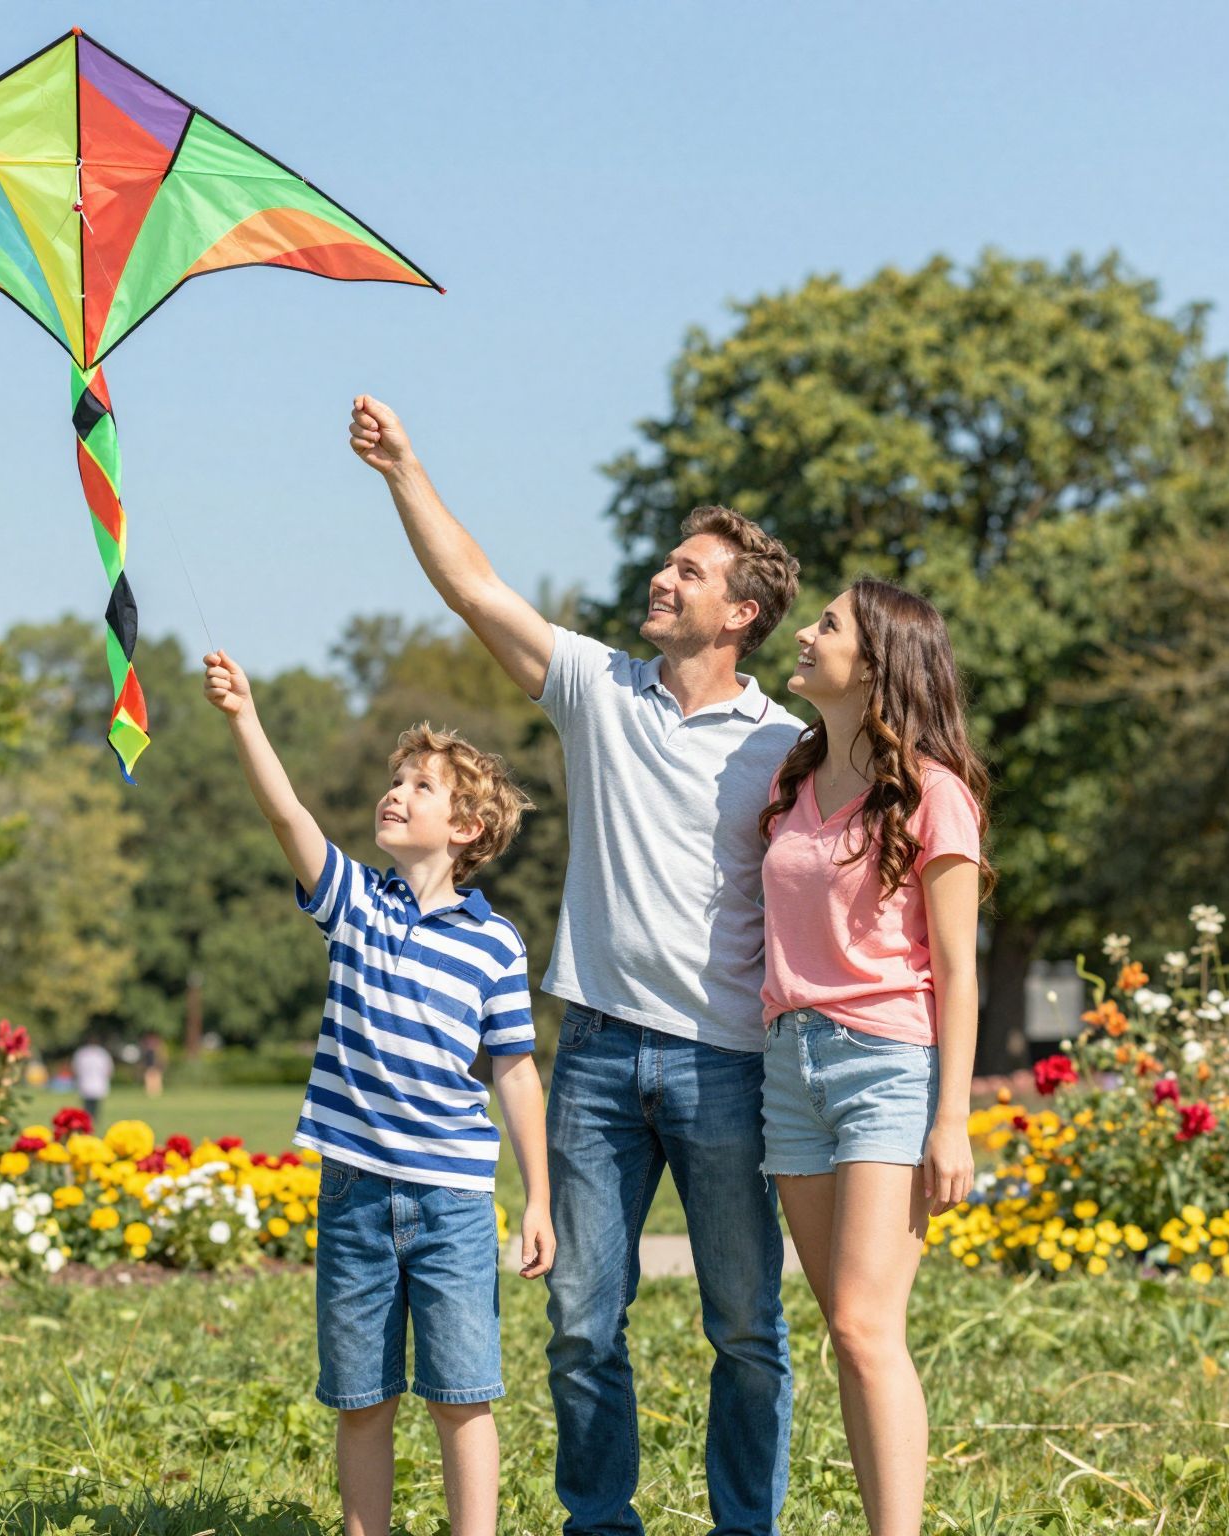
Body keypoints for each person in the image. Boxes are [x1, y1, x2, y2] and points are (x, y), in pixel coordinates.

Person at [350, 396, 801, 1536]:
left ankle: (743, 1526)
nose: (663, 579)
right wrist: (404, 465)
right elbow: (475, 590)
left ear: (739, 612)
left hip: (728, 1066)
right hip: (596, 1053)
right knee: (579, 1324)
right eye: (664, 563)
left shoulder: (786, 746)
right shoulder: (599, 690)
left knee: (744, 1328)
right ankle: (599, 1525)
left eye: (688, 573)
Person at [201, 648, 555, 1536]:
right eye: (393, 781)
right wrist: (246, 716)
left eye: (420, 786)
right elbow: (288, 814)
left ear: (467, 826)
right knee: (361, 1399)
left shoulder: (496, 945)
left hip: (455, 1203)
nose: (394, 793)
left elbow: (514, 1070)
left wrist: (539, 1196)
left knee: (462, 1395)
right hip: (354, 1193)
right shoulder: (357, 903)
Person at [758, 577, 987, 1536]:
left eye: (828, 625)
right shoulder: (793, 783)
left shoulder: (935, 795)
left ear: (880, 662)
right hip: (787, 1068)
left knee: (864, 1325)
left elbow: (959, 974)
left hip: (885, 1065)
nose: (805, 634)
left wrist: (952, 1122)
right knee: (847, 1334)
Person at [70, 1037, 114, 1127]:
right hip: (98, 1084)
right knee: (95, 1106)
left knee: (87, 1106)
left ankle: (88, 1121)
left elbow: (75, 1068)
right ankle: (92, 1121)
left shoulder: (82, 1053)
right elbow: (109, 1070)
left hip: (85, 1084)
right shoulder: (102, 1053)